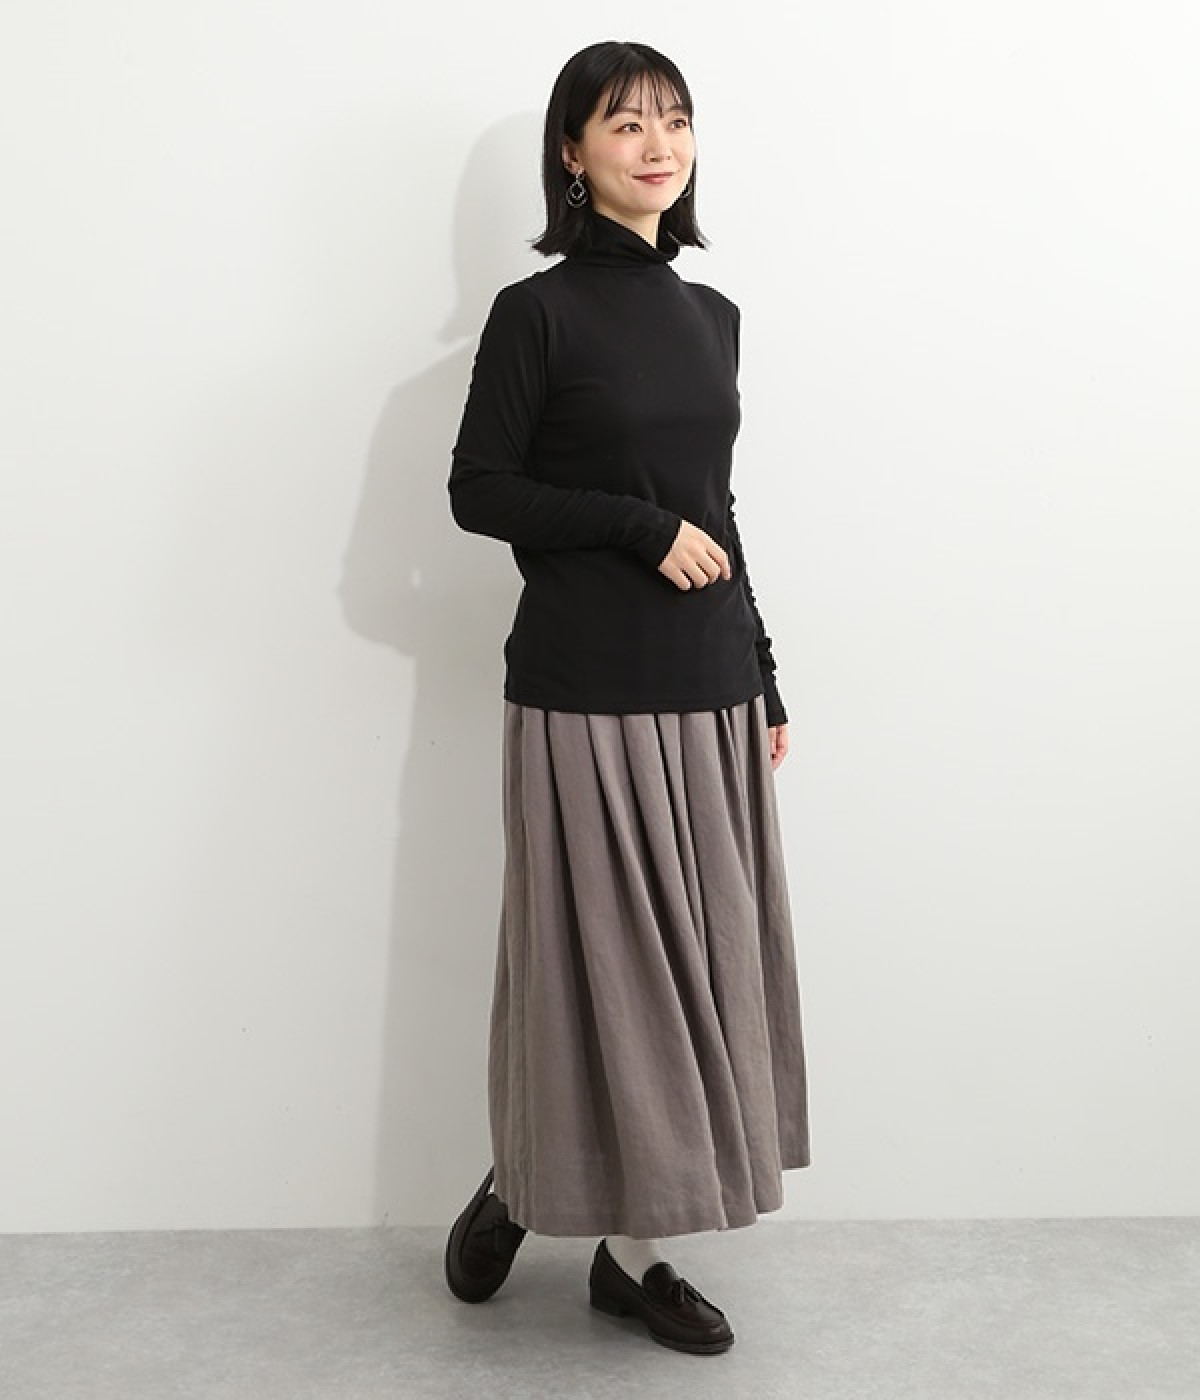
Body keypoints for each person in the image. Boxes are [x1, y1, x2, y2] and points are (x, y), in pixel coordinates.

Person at [442, 39, 810, 1356]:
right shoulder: (533, 314)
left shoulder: (713, 318)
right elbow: (480, 489)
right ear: (572, 151)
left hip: (707, 687)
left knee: (699, 976)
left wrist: (763, 668)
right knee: (603, 972)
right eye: (625, 124)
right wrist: (635, 529)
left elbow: (718, 510)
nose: (658, 145)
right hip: (584, 687)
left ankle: (608, 1237)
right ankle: (548, 1194)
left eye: (675, 122)